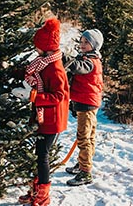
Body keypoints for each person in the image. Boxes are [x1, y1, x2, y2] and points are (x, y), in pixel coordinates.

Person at [15, 18, 69, 206]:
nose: (35, 49)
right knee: (39, 155)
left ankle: (43, 196)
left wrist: (33, 97)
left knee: (42, 156)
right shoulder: (43, 62)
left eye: (37, 46)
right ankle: (36, 190)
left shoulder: (55, 68)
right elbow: (27, 72)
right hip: (43, 117)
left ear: (45, 47)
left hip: (52, 120)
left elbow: (59, 96)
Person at [62, 28, 104, 186]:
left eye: (87, 42)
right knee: (89, 137)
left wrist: (63, 58)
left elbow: (79, 67)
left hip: (87, 104)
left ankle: (85, 172)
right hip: (87, 102)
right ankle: (83, 164)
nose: (82, 44)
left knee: (84, 138)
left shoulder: (90, 62)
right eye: (81, 41)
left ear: (94, 45)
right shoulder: (88, 58)